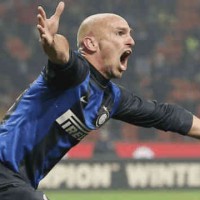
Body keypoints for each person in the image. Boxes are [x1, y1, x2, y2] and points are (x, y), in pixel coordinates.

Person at [0, 1, 200, 199]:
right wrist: (52, 43)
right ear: (91, 43)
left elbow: (164, 115)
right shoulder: (74, 74)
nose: (131, 40)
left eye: (130, 34)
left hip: (18, 183)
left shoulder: (112, 98)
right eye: (120, 33)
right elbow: (62, 56)